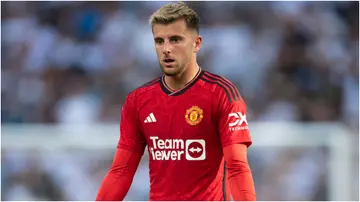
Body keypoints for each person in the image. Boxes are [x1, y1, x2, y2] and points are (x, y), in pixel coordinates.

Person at [96, 2, 256, 201]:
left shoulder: (222, 94)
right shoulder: (138, 100)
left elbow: (237, 167)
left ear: (196, 43)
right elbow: (121, 171)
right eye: (159, 41)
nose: (166, 49)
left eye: (175, 40)